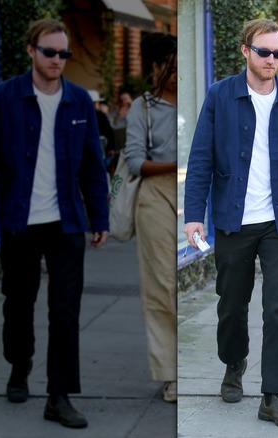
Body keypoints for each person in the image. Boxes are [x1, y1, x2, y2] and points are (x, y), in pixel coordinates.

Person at [0, 18, 109, 429]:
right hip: (18, 222)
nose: (57, 60)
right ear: (31, 51)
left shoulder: (80, 100)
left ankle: (59, 396)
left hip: (65, 224)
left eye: (64, 53)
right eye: (50, 52)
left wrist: (99, 217)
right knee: (18, 303)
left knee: (65, 310)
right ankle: (20, 363)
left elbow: (92, 168)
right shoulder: (7, 96)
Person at [183, 18, 278, 429]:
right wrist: (194, 215)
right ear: (246, 51)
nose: (272, 60)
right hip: (232, 220)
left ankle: (273, 396)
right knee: (231, 304)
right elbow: (202, 159)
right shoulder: (220, 96)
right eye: (264, 52)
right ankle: (234, 361)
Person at [122, 32, 178, 404]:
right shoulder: (143, 108)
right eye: (171, 66)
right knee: (162, 285)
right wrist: (176, 165)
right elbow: (133, 161)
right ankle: (170, 374)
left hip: (190, 196)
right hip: (156, 196)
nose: (177, 74)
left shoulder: (195, 101)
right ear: (157, 66)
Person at [88, 89, 115, 171]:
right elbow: (109, 131)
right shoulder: (100, 115)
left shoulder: (82, 115)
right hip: (101, 151)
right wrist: (111, 148)